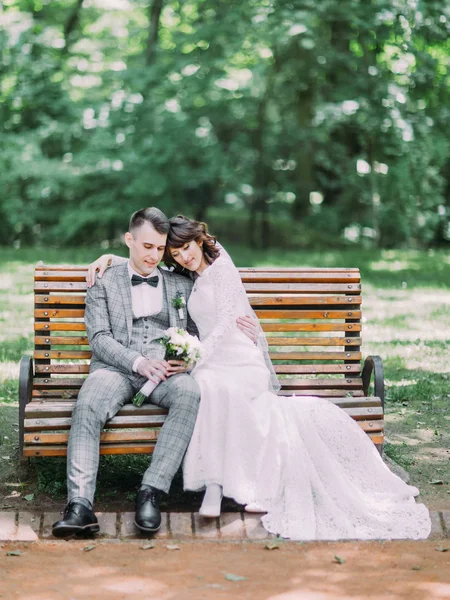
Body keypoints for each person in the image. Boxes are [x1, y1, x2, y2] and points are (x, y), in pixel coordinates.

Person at [89, 215, 432, 541]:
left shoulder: (222, 267)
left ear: (199, 238)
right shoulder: (186, 274)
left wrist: (196, 356)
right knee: (204, 387)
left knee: (220, 387)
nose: (184, 256)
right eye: (176, 252)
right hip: (210, 361)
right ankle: (214, 486)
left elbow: (224, 324)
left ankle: (250, 485)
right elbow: (145, 262)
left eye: (188, 247)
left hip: (237, 356)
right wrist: (110, 257)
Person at [52, 207, 257, 538]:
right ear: (129, 240)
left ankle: (151, 492)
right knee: (88, 401)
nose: (153, 255)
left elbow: (203, 322)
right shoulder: (103, 280)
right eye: (146, 247)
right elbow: (99, 338)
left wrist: (234, 334)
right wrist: (137, 361)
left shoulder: (179, 282)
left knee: (190, 392)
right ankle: (80, 506)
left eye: (159, 249)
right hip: (115, 368)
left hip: (164, 371)